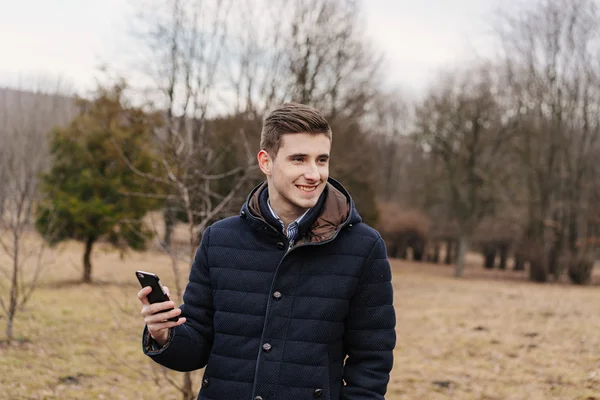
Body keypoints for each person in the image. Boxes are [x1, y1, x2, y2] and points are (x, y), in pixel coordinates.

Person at [138, 103, 396, 400]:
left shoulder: (363, 248)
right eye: (299, 159)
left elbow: (372, 364)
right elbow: (196, 348)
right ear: (266, 162)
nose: (313, 174)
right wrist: (165, 333)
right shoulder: (219, 240)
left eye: (321, 160)